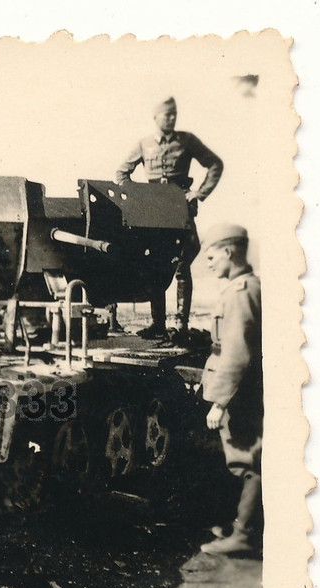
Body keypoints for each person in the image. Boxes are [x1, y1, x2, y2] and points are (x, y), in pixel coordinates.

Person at [116, 97, 223, 338]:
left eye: (174, 114)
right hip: (155, 215)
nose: (172, 119)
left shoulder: (186, 140)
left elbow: (215, 164)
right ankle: (158, 324)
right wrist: (138, 198)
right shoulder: (144, 144)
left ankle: (181, 324)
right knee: (156, 265)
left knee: (183, 264)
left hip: (179, 211)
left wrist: (199, 193)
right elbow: (122, 172)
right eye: (167, 115)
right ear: (156, 117)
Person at [199, 223, 263, 556]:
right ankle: (241, 524)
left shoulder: (241, 293)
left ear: (229, 252)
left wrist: (220, 403)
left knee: (246, 461)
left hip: (239, 394)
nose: (208, 263)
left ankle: (245, 535)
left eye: (211, 256)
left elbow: (237, 353)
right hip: (239, 391)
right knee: (242, 459)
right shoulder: (241, 288)